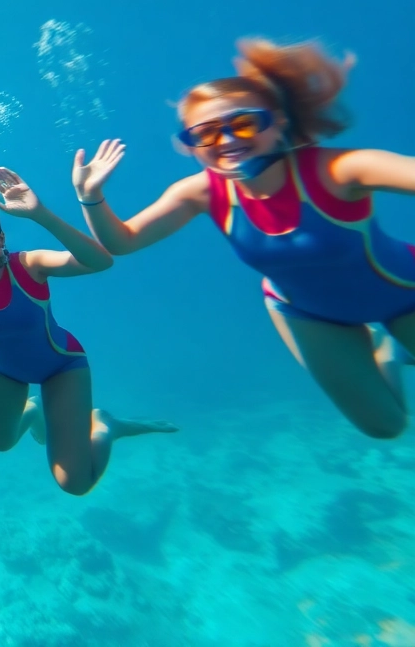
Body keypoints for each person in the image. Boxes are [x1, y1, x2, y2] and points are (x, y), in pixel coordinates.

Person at [73, 38, 415, 439]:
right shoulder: (199, 192)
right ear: (191, 145)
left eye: (245, 123)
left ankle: (390, 343)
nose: (228, 141)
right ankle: (386, 354)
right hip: (307, 312)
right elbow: (122, 241)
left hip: (404, 291)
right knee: (385, 426)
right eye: (206, 133)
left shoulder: (340, 169)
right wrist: (90, 196)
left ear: (279, 122)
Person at [0, 170, 176, 496]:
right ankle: (32, 411)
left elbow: (100, 262)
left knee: (75, 483)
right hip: (0, 370)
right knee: (1, 444)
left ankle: (104, 425)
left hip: (60, 366)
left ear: (1, 239)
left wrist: (39, 214)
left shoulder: (30, 264)